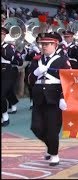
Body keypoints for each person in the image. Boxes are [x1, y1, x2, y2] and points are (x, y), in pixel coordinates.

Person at [27, 32, 71, 166]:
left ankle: (54, 154)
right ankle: (51, 147)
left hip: (54, 98)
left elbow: (69, 80)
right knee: (36, 127)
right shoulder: (36, 60)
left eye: (47, 44)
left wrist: (64, 97)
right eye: (42, 44)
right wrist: (35, 73)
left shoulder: (62, 60)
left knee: (52, 128)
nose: (44, 47)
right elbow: (29, 80)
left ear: (55, 45)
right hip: (39, 97)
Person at [1, 27, 22, 126]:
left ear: (5, 36)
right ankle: (12, 105)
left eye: (2, 34)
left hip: (6, 71)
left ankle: (5, 117)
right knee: (8, 92)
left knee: (2, 94)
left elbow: (8, 56)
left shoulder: (8, 46)